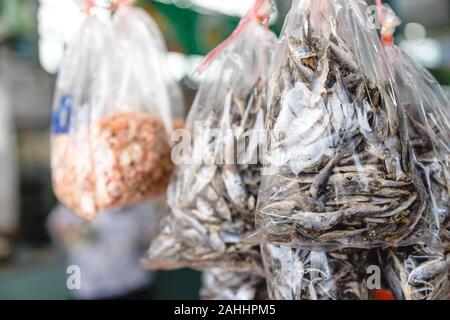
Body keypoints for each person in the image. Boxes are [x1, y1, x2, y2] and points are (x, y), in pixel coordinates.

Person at [47, 202, 159, 300]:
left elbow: (152, 237)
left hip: (133, 284)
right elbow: (57, 226)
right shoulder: (78, 198)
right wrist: (75, 233)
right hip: (89, 289)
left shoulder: (139, 201)